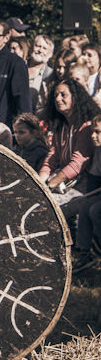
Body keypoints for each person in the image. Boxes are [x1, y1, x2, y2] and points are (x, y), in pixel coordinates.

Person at [38, 79, 100, 209]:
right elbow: (52, 157)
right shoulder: (62, 125)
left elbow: (77, 165)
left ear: (75, 97)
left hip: (83, 184)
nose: (58, 99)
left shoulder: (86, 126)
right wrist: (39, 182)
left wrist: (49, 185)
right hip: (63, 183)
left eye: (63, 95)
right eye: (55, 95)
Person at [73, 114, 101, 273]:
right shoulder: (99, 152)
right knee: (85, 207)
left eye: (97, 132)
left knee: (96, 210)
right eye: (92, 131)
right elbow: (94, 179)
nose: (93, 135)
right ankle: (85, 253)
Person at [27, 35, 54, 112]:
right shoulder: (20, 66)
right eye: (38, 46)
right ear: (32, 47)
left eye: (44, 48)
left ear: (51, 54)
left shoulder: (50, 75)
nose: (40, 50)